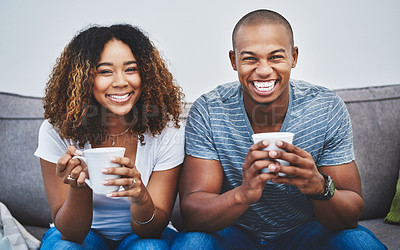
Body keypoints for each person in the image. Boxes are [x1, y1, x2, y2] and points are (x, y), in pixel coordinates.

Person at [172, 9, 387, 249]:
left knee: (359, 243)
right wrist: (243, 194)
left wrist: (319, 186)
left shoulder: (325, 107)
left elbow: (351, 216)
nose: (263, 70)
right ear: (234, 61)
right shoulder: (210, 111)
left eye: (275, 57)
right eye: (250, 58)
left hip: (305, 232)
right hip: (234, 233)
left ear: (293, 57)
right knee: (193, 244)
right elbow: (192, 216)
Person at [34, 24, 185, 249]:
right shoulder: (56, 130)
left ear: (146, 74)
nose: (121, 82)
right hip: (83, 235)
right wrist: (78, 187)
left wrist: (139, 195)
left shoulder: (167, 130)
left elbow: (152, 230)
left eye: (131, 69)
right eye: (105, 71)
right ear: (83, 78)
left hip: (142, 236)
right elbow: (71, 234)